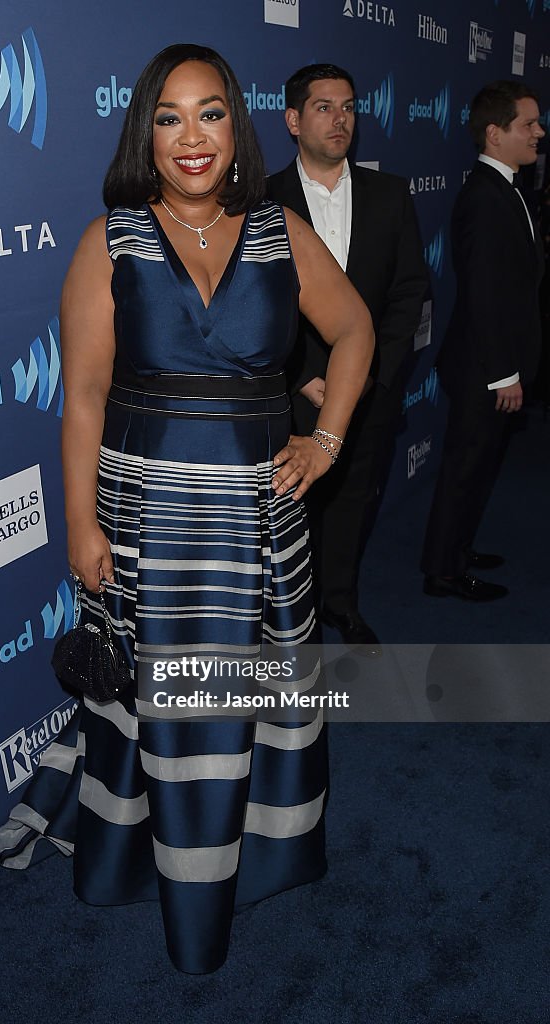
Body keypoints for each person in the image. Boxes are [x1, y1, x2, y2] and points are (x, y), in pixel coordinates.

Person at [0, 44, 373, 974]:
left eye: (210, 113)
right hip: (146, 518)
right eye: (170, 117)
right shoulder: (109, 240)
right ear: (146, 134)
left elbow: (358, 326)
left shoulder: (282, 231)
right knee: (150, 702)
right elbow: (82, 394)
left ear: (235, 129)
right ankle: (139, 861)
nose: (192, 136)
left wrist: (323, 444)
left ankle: (253, 856)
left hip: (256, 517)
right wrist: (81, 524)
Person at [267, 64, 427, 652]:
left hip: (368, 393)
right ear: (292, 120)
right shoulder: (261, 201)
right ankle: (290, 621)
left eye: (349, 107)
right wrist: (305, 375)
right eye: (324, 107)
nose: (341, 119)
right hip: (292, 396)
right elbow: (252, 308)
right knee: (287, 511)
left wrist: (365, 376)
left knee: (354, 504)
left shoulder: (391, 195)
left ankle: (342, 605)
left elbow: (409, 291)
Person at [421, 81, 545, 600]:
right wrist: (505, 373)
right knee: (464, 472)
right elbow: (484, 293)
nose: (540, 132)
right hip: (484, 370)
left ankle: (458, 550)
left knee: (480, 469)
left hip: (495, 364)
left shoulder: (507, 189)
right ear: (495, 135)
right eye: (529, 125)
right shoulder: (484, 199)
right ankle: (442, 574)